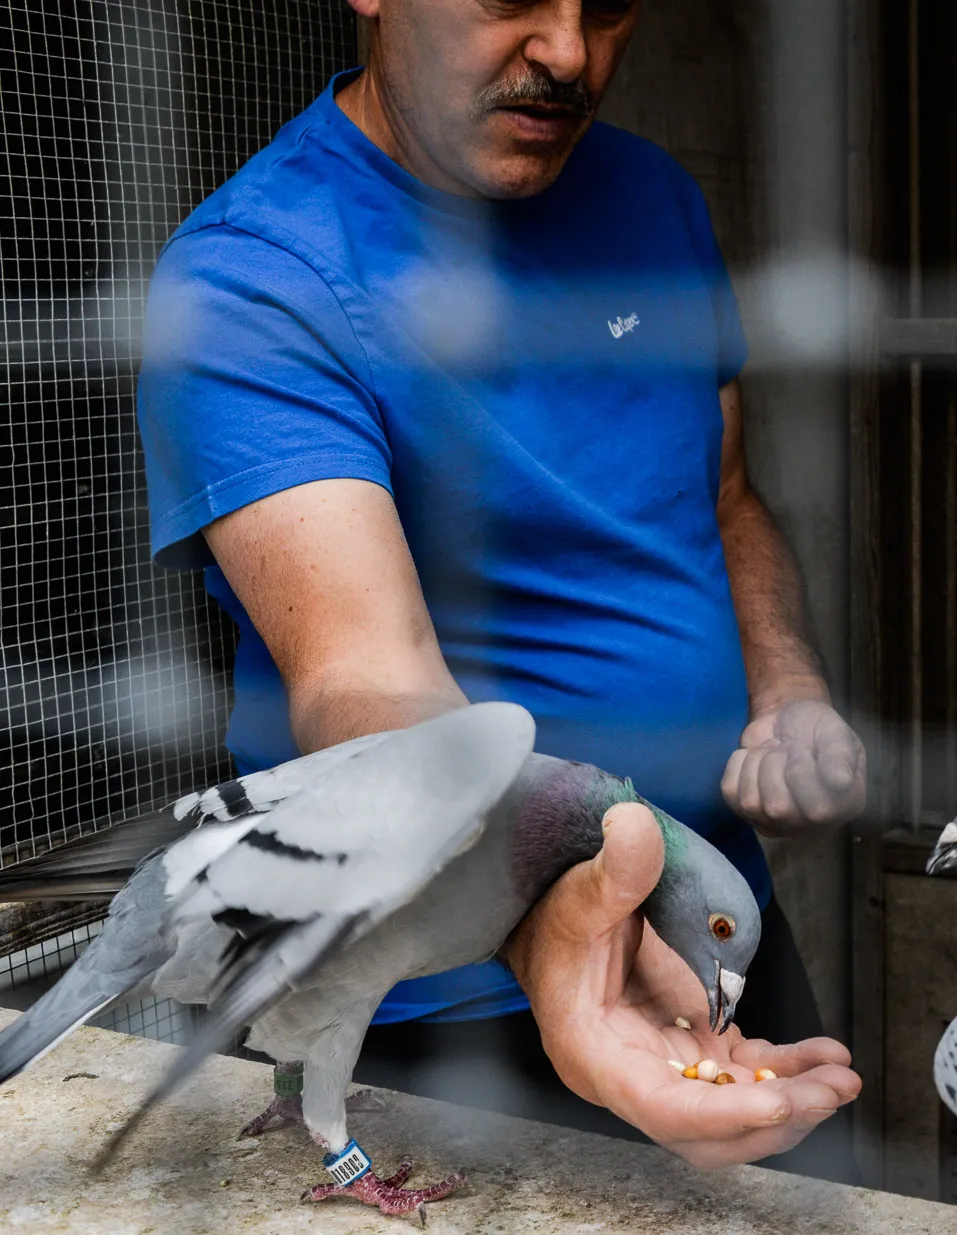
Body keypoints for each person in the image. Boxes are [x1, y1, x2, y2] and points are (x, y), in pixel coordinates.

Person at [133, 0, 865, 1181]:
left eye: (612, 4)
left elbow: (725, 497)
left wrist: (786, 686)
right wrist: (555, 933)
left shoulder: (655, 199)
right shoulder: (253, 278)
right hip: (439, 996)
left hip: (709, 915)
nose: (570, 52)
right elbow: (362, 675)